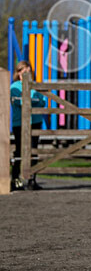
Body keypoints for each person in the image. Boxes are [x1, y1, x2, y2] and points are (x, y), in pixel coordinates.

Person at [9, 61, 46, 190]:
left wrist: (31, 101)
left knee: (33, 150)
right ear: (18, 73)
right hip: (19, 123)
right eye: (23, 71)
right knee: (19, 150)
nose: (26, 74)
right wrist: (32, 101)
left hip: (35, 121)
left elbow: (42, 101)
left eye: (28, 72)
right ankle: (15, 179)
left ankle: (32, 179)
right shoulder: (14, 87)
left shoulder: (35, 86)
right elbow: (20, 103)